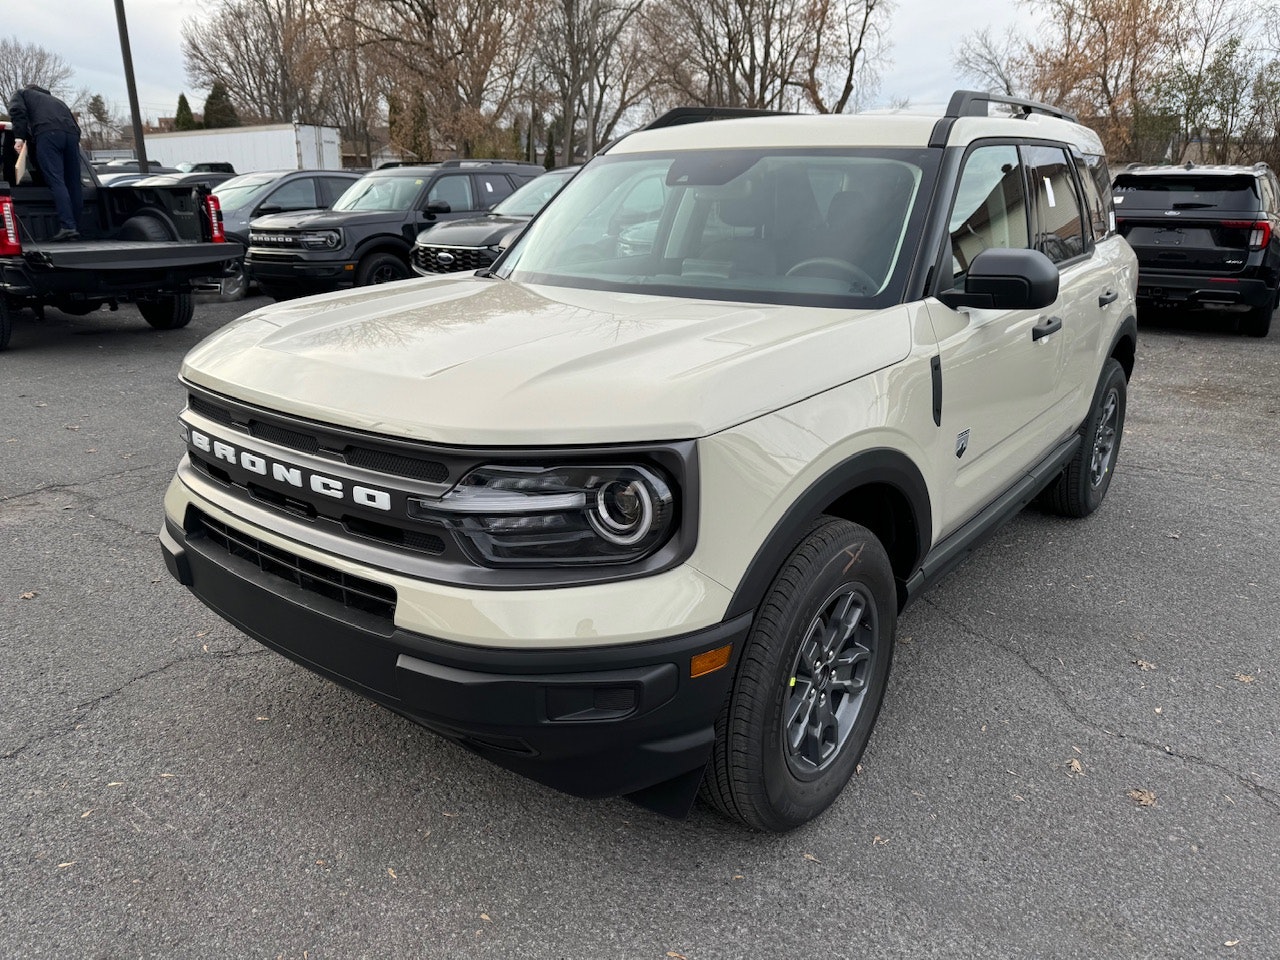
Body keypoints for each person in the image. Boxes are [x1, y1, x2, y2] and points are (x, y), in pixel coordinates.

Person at [8, 84, 83, 241]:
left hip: (48, 134)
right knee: (74, 183)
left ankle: (68, 227)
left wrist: (19, 138)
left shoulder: (21, 93)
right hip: (72, 136)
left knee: (56, 180)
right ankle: (77, 227)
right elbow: (75, 125)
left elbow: (17, 112)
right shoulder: (57, 101)